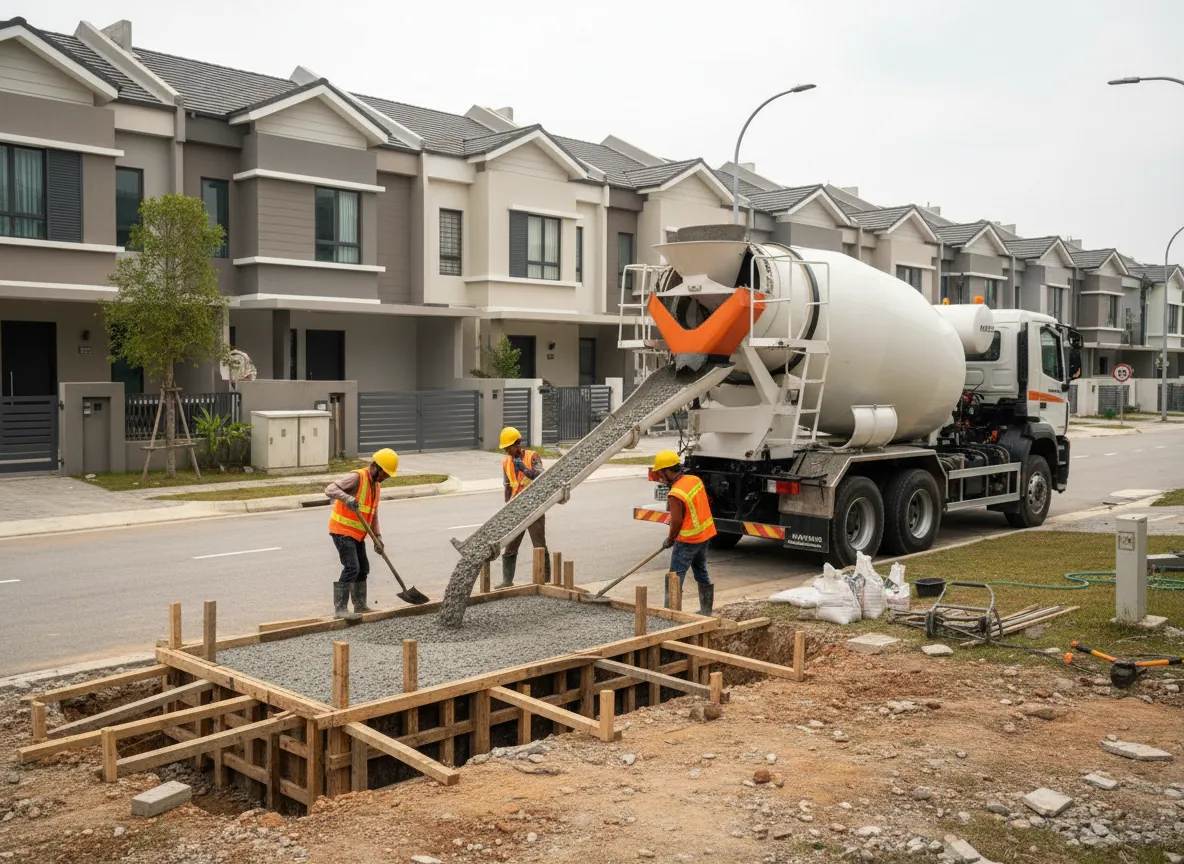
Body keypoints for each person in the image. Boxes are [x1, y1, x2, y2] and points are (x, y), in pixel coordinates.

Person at [324, 448, 399, 618]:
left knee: (363, 568)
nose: (385, 477)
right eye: (385, 473)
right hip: (342, 531)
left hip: (357, 534)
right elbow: (330, 489)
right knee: (352, 567)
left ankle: (360, 606)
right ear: (376, 467)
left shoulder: (376, 487)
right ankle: (340, 609)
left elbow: (373, 514)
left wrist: (378, 537)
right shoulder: (357, 477)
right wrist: (347, 498)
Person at [651, 449, 716, 616]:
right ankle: (706, 610)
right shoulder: (694, 480)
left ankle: (670, 615)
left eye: (660, 473)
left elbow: (677, 521)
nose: (659, 477)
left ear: (667, 471)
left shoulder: (675, 493)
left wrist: (670, 539)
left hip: (688, 540)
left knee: (674, 577)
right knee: (701, 571)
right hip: (704, 536)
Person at [498, 426, 549, 587]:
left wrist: (525, 469)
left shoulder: (532, 456)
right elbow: (507, 486)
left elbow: (541, 476)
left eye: (509, 447)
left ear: (517, 443)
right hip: (516, 508)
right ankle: (507, 581)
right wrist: (507, 508)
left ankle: (545, 581)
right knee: (510, 546)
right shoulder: (506, 462)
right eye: (505, 448)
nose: (507, 450)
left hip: (534, 507)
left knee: (539, 545)